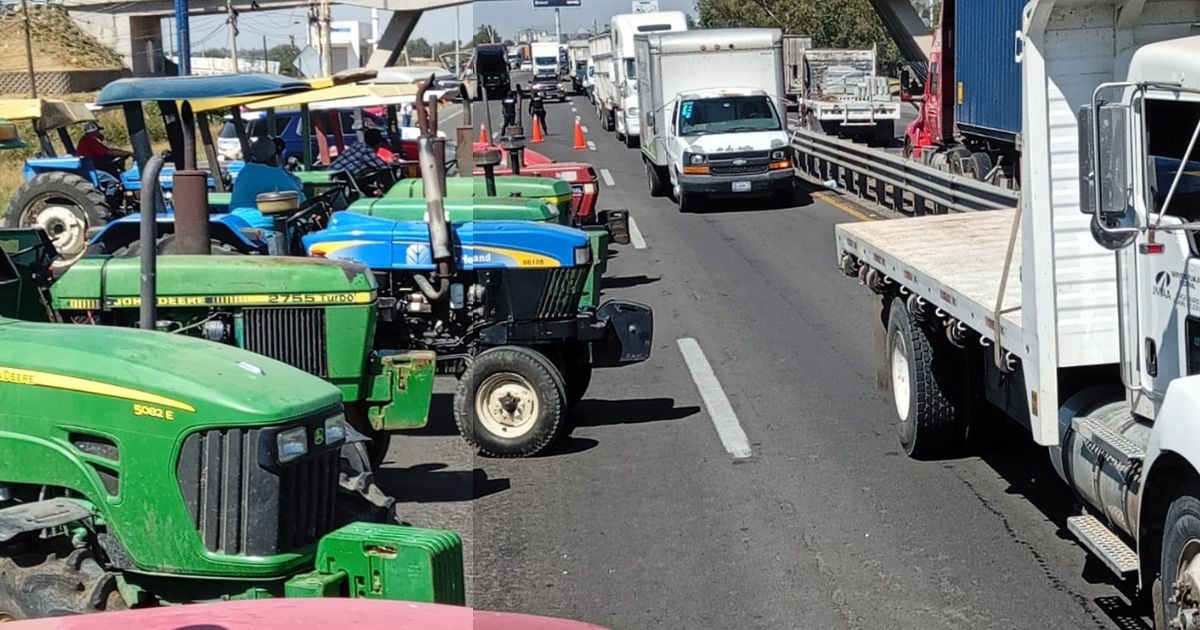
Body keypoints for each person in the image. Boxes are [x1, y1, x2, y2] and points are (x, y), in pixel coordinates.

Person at [228, 136, 306, 230]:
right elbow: (300, 200)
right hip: (261, 225)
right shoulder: (274, 174)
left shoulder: (245, 171)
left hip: (237, 222)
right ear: (274, 157)